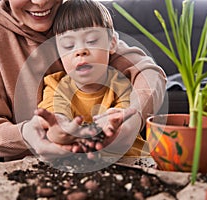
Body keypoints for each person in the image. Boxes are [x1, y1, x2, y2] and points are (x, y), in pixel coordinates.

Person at [0, 0, 167, 162]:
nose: (40, 2)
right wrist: (27, 135)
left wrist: (135, 115)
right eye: (67, 45)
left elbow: (148, 72)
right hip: (39, 172)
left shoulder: (74, 16)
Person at [38, 0, 146, 158]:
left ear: (112, 44)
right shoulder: (55, 85)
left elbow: (123, 124)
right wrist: (58, 130)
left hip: (129, 159)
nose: (80, 51)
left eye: (92, 41)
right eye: (68, 45)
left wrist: (113, 125)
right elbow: (56, 119)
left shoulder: (122, 85)